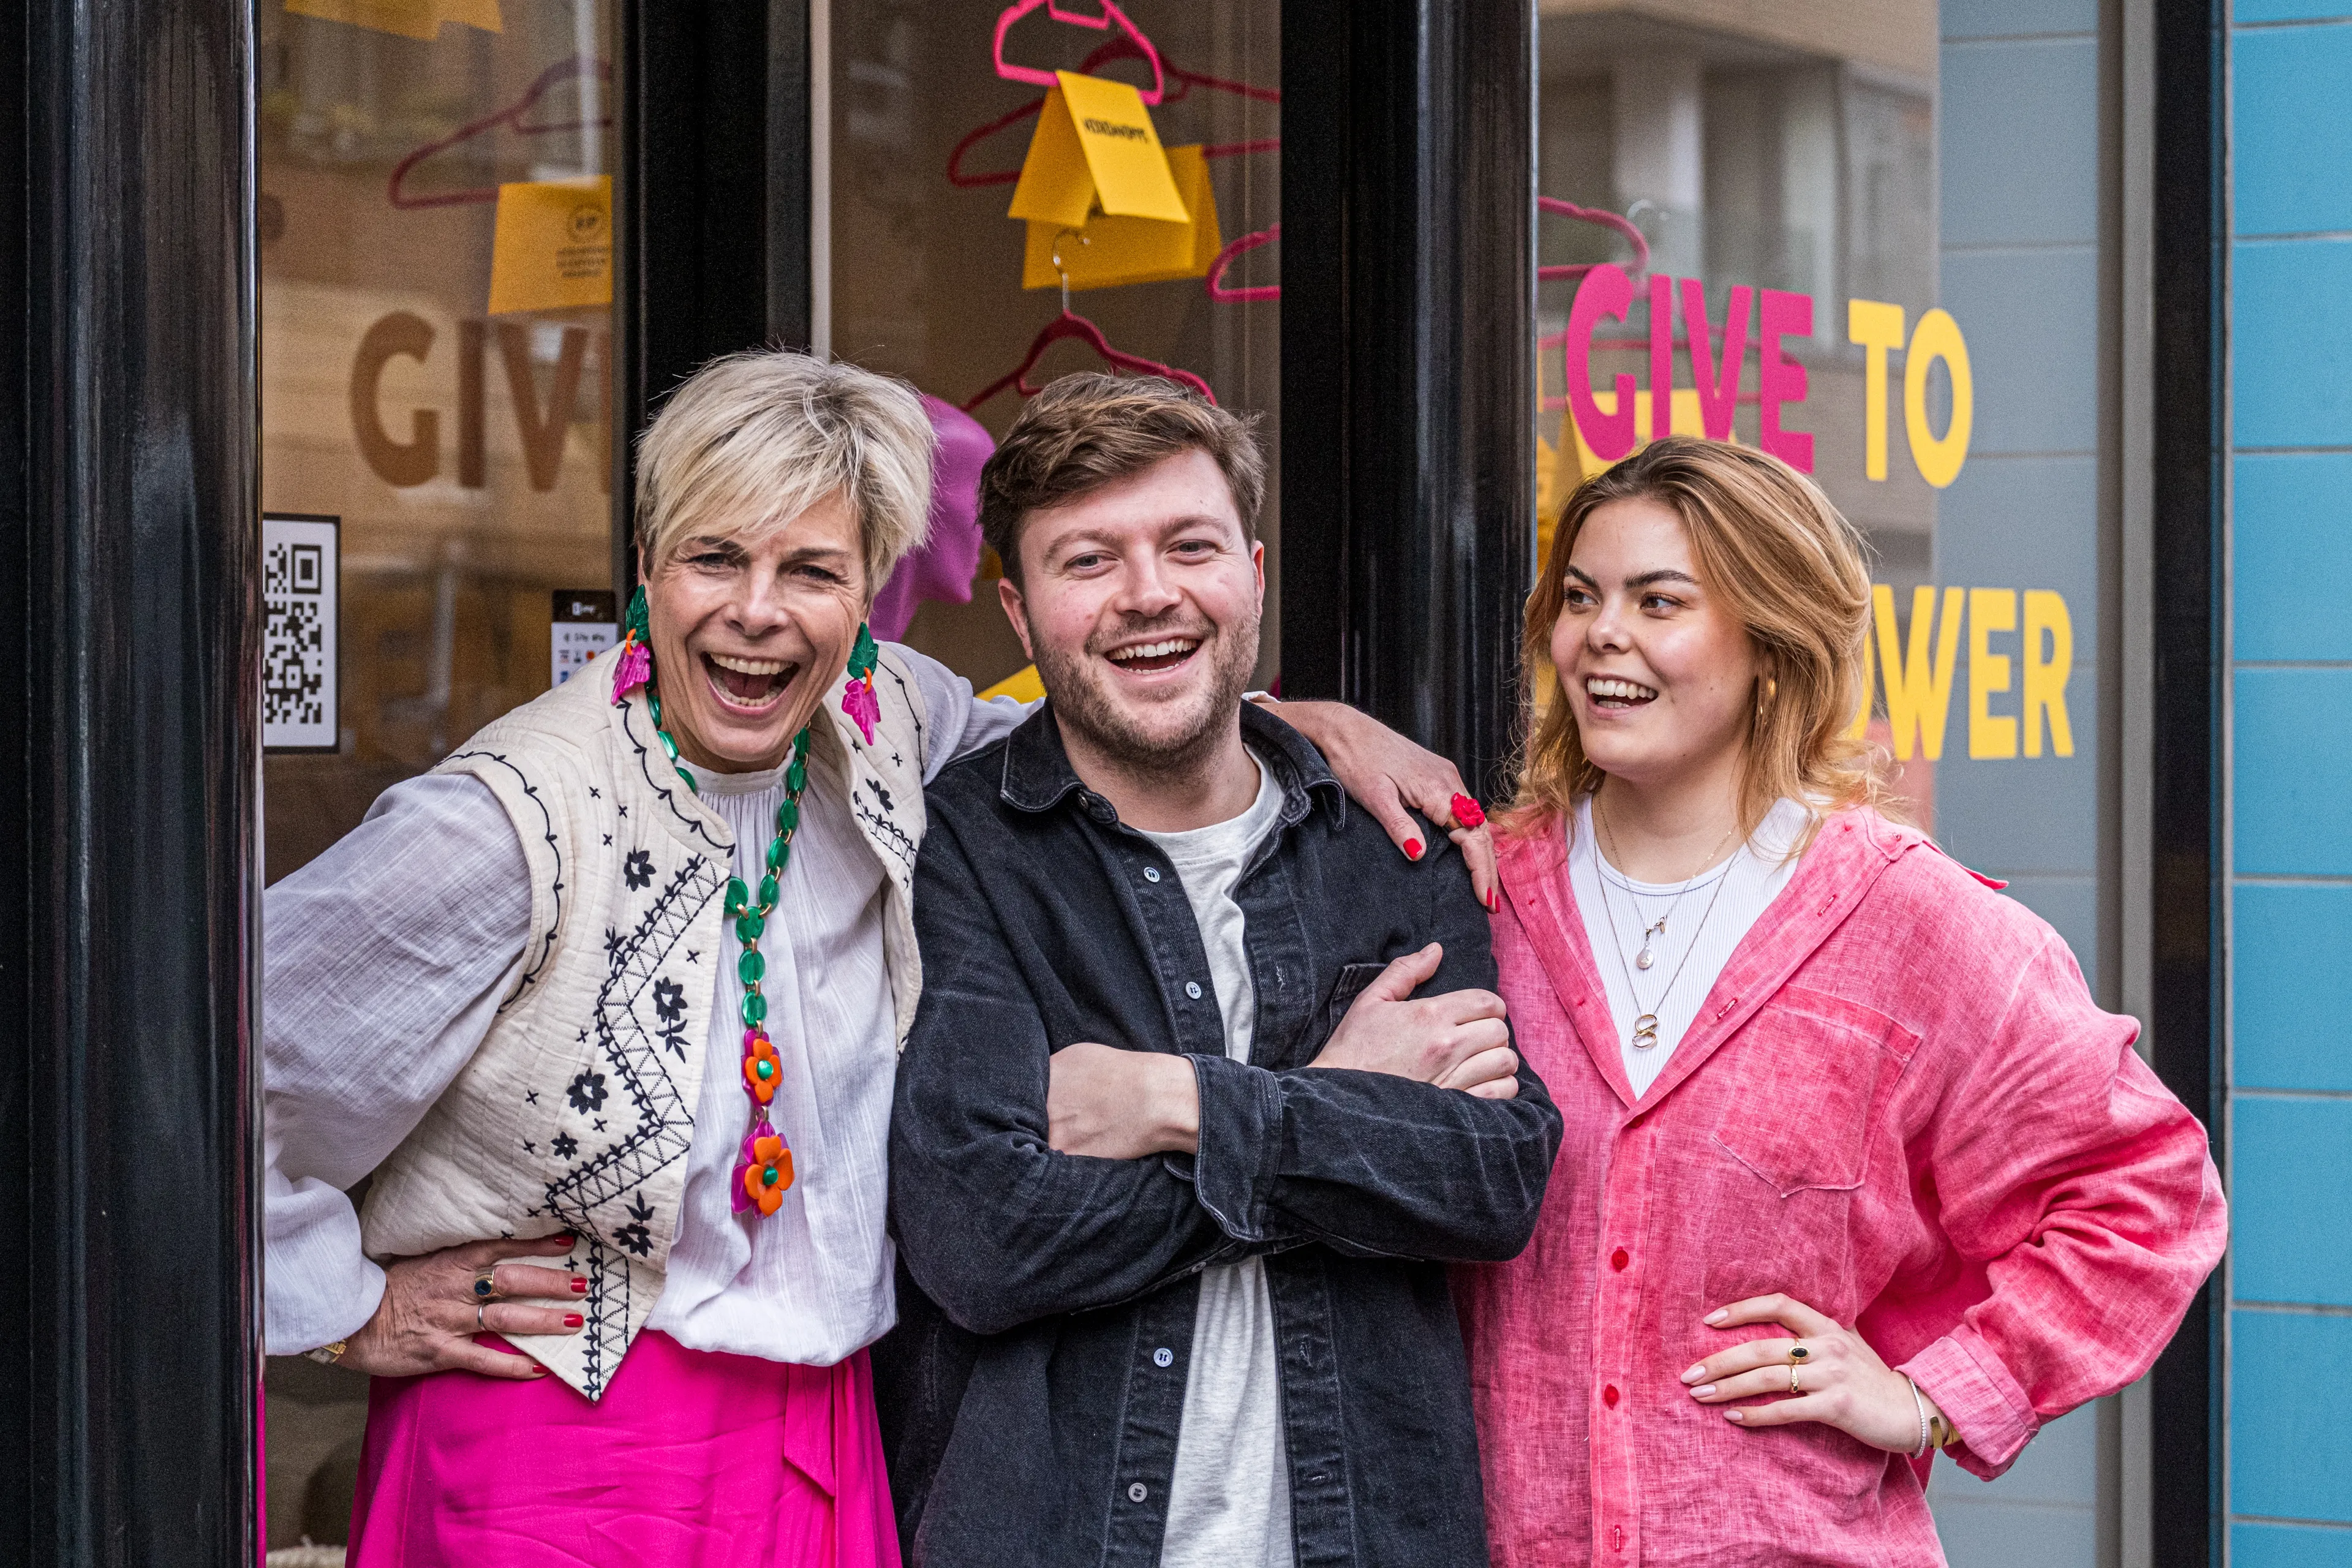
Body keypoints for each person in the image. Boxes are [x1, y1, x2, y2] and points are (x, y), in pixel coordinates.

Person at [261, 349, 1498, 1566]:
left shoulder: (892, 720)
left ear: (868, 599)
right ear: (646, 568)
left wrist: (1305, 726)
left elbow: (1109, 718)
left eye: (811, 568)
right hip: (567, 1435)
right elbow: (216, 1059)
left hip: (828, 1437)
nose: (758, 608)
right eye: (713, 557)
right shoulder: (512, 819)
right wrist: (349, 1309)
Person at [1452, 435, 2227, 1567]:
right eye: (1580, 597)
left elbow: (2144, 1192)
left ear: (1771, 642)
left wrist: (1932, 1397)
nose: (1601, 634)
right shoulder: (1478, 900)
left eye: (1658, 600)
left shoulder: (1911, 925)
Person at [878, 374, 1564, 1568]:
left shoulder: (1387, 832)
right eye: (1088, 560)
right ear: (1017, 609)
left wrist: (1177, 1102)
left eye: (1187, 546)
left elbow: (1494, 1178)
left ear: (1251, 569)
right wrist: (1346, 1102)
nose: (1150, 593)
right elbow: (985, 1238)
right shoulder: (962, 852)